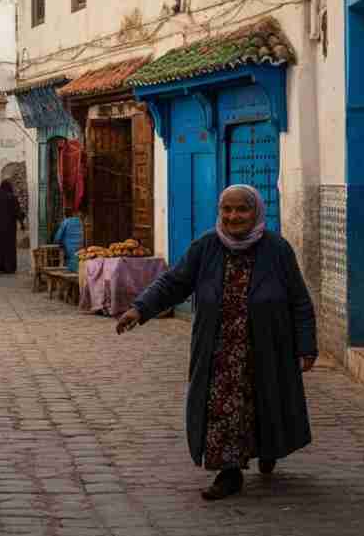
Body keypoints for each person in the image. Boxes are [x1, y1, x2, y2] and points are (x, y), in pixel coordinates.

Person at [115, 184, 317, 501]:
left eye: (242, 209)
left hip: (265, 347)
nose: (233, 216)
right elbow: (174, 282)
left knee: (266, 403)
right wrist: (140, 309)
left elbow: (299, 301)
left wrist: (306, 346)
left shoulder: (277, 249)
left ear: (257, 212)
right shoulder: (206, 246)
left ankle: (267, 448)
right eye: (227, 209)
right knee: (223, 410)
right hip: (219, 352)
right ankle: (229, 473)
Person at [53, 209, 84, 273]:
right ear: (73, 214)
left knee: (70, 261)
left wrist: (56, 241)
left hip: (69, 246)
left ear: (65, 215)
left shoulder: (65, 222)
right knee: (78, 260)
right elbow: (82, 232)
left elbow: (58, 236)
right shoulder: (79, 221)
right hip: (79, 245)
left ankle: (71, 275)